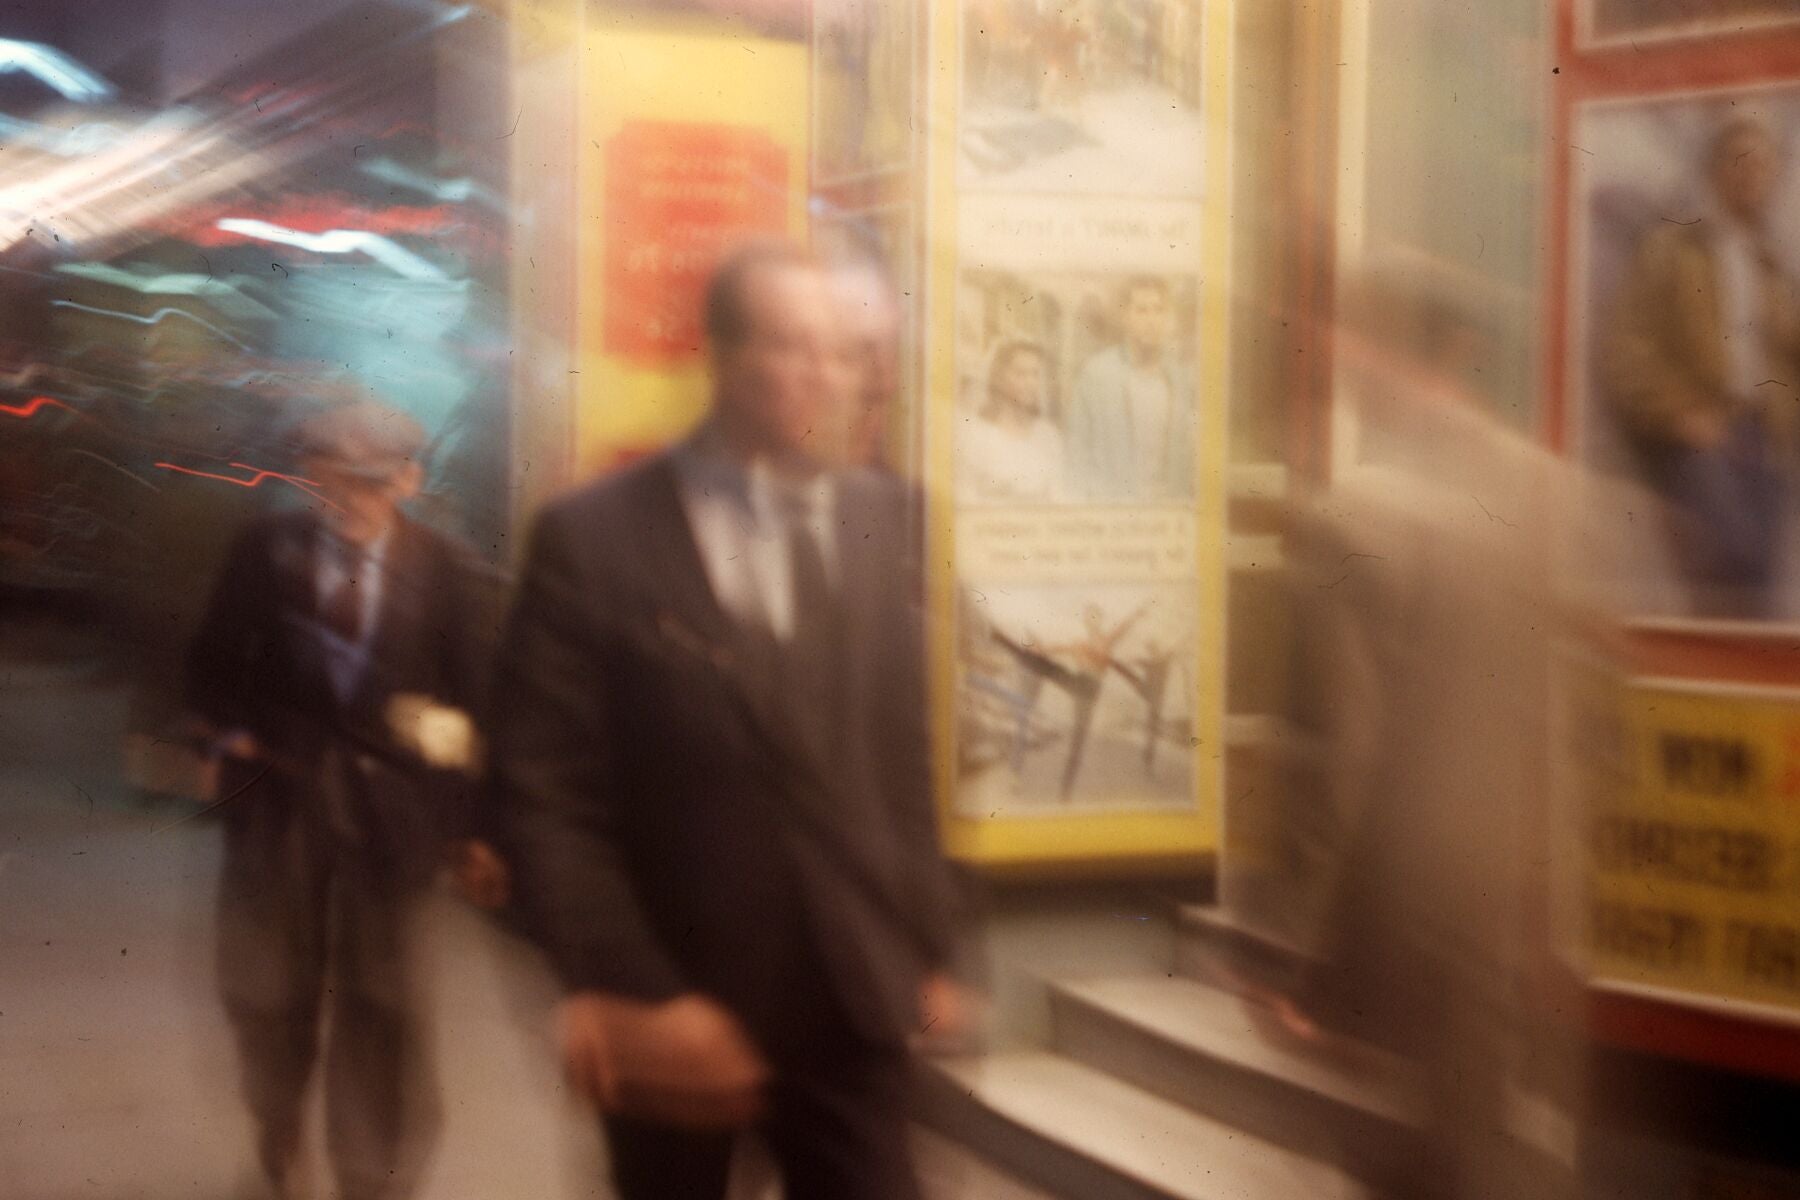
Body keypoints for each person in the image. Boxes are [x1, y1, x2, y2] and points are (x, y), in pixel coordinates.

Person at [488, 240, 968, 1200]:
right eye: (791, 345)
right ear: (719, 354)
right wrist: (633, 989)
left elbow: (900, 756)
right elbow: (544, 797)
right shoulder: (597, 537)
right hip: (676, 1004)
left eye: (839, 351)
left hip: (850, 999)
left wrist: (932, 941)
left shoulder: (886, 518)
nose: (821, 375)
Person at [185, 401, 494, 1200]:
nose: (343, 497)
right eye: (324, 477)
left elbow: (480, 703)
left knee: (383, 1008)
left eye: (366, 481)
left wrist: (473, 829)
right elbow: (212, 660)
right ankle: (279, 1132)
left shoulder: (449, 569)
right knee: (268, 993)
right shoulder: (265, 549)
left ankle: (371, 1175)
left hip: (394, 826)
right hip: (279, 808)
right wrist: (227, 737)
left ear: (408, 481)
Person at [1601, 116, 1800, 616]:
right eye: (1741, 161)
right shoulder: (1672, 249)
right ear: (1715, 172)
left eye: (1764, 164)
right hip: (1708, 430)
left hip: (1768, 439)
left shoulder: (1773, 266)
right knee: (1729, 570)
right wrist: (1679, 414)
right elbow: (1628, 348)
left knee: (1757, 588)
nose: (1753, 174)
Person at [1065, 275, 1196, 502]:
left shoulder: (1179, 378)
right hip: (1113, 509)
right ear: (1125, 317)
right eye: (1142, 310)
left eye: (1159, 310)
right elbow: (1077, 450)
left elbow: (1188, 452)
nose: (1152, 320)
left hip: (1167, 509)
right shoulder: (1097, 374)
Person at [959, 338, 1065, 503]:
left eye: (1035, 374)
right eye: (1021, 374)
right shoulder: (977, 436)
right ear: (999, 379)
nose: (1030, 383)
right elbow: (966, 496)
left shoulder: (1047, 435)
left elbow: (1059, 496)